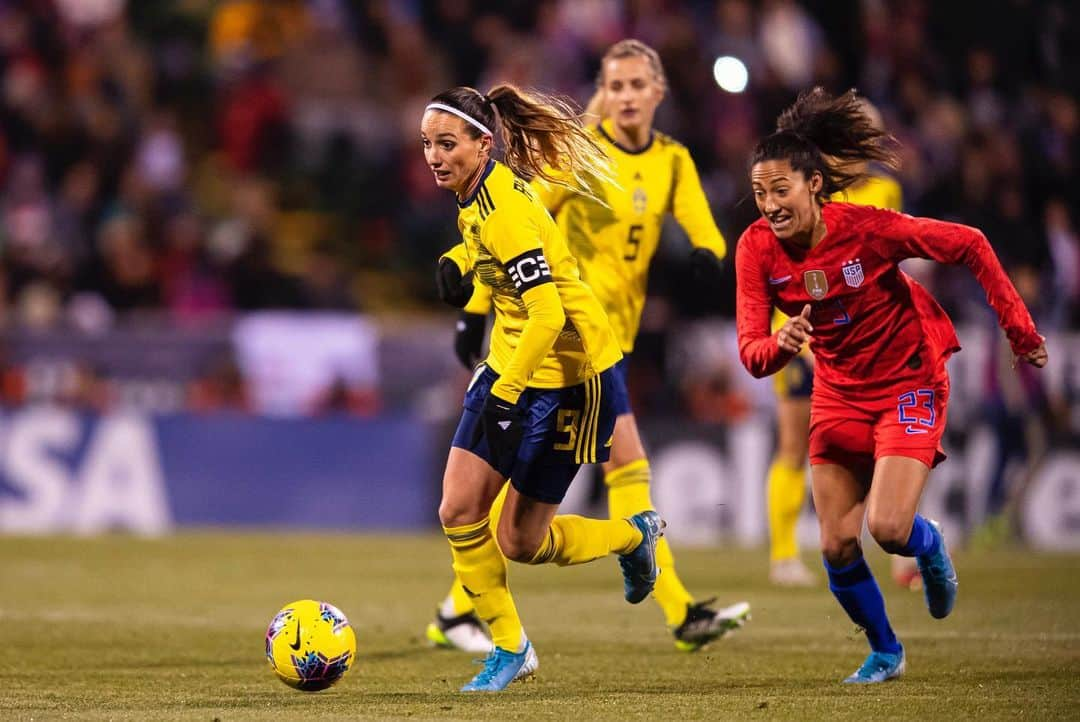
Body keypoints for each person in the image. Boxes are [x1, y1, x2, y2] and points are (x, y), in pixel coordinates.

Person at [429, 39, 750, 655]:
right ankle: (676, 606)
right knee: (608, 473)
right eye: (617, 85)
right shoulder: (579, 160)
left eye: (638, 85)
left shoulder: (672, 160)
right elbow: (508, 228)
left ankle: (461, 607)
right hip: (568, 343)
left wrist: (713, 253)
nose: (627, 97)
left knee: (517, 516)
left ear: (658, 93)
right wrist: (473, 309)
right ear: (604, 91)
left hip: (597, 347)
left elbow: (699, 220)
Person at [735, 88, 1047, 683]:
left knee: (889, 529)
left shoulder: (870, 229)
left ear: (816, 186)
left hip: (908, 379)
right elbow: (751, 351)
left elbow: (972, 244)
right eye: (759, 193)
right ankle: (885, 651)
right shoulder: (755, 249)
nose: (770, 205)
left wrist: (1018, 327)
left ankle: (928, 547)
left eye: (781, 190)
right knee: (835, 545)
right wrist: (780, 345)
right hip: (838, 390)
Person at [422, 84, 666, 692]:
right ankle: (511, 649)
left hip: (572, 379)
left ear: (483, 143)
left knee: (521, 541)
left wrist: (504, 391)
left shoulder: (504, 209)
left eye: (447, 144)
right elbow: (500, 263)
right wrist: (461, 266)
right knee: (457, 509)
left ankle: (634, 533)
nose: (435, 156)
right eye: (427, 144)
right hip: (512, 364)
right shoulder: (475, 197)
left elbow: (549, 314)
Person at [766, 99, 907, 588]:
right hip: (801, 327)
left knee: (881, 442)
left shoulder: (886, 189)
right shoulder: (807, 188)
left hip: (861, 336)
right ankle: (783, 555)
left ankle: (892, 546)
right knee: (792, 446)